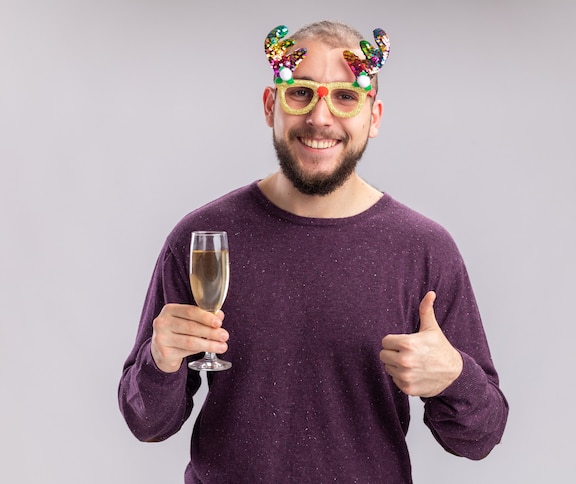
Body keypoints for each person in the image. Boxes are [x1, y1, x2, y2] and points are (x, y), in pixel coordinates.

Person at [118, 20, 508, 483]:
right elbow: (147, 423)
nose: (321, 118)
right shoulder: (203, 239)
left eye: (346, 97)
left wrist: (454, 376)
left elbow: (479, 438)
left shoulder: (424, 249)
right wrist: (160, 362)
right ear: (271, 106)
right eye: (300, 93)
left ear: (374, 117)